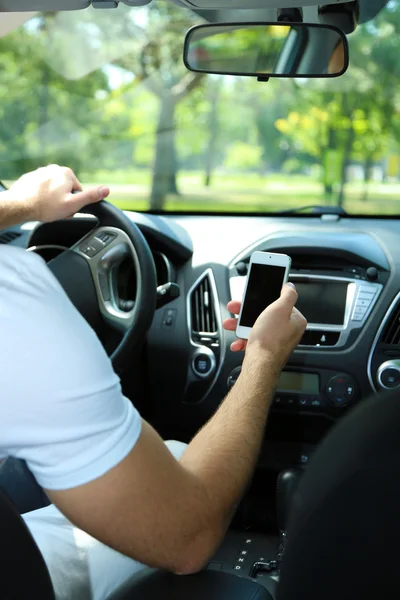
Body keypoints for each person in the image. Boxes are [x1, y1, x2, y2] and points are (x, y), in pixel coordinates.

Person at [0, 164, 307, 599]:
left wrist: (17, 206)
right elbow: (186, 539)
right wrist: (263, 356)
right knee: (179, 469)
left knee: (176, 456)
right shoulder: (14, 296)